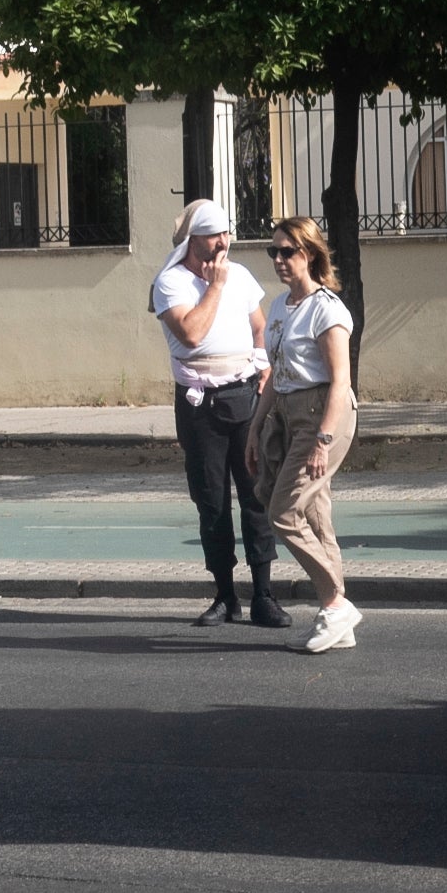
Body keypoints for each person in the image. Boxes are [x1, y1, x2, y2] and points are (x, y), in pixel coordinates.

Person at [153, 199, 279, 627]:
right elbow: (190, 334)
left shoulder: (240, 276)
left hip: (244, 397)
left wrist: (264, 368)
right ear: (193, 240)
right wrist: (215, 287)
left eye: (227, 234)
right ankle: (225, 595)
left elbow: (260, 328)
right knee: (211, 501)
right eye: (214, 235)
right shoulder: (170, 283)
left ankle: (264, 594)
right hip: (199, 405)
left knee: (255, 497)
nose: (224, 243)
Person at [258, 216, 361, 654]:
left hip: (323, 414)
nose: (279, 259)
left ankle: (336, 602)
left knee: (282, 511)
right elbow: (275, 376)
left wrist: (322, 440)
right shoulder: (281, 306)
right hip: (285, 411)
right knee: (316, 518)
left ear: (310, 255)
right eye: (274, 251)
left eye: (288, 251)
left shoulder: (327, 308)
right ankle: (336, 619)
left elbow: (340, 381)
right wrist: (253, 429)